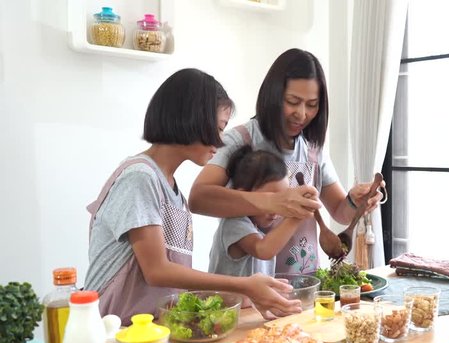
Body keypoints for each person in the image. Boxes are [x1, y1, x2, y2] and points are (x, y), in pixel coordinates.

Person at [83, 68, 301, 324]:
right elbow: (157, 271)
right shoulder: (139, 178)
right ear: (191, 118)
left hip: (149, 330)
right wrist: (244, 285)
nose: (219, 142)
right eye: (218, 128)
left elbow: (171, 281)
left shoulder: (171, 188)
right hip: (114, 333)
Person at [190, 49, 384, 274]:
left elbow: (340, 212)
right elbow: (198, 197)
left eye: (312, 105)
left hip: (303, 284)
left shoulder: (313, 150)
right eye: (293, 101)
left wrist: (354, 201)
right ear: (273, 95)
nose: (302, 114)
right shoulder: (241, 139)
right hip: (247, 290)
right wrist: (273, 202)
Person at [208, 145, 303, 277]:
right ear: (244, 195)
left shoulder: (256, 229)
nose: (277, 209)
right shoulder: (233, 223)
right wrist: (297, 215)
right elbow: (263, 250)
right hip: (227, 299)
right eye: (271, 199)